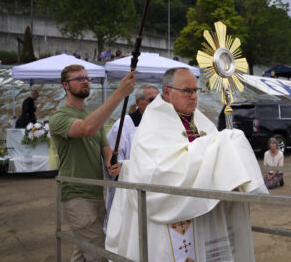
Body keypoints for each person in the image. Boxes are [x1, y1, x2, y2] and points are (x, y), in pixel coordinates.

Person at [106, 67, 267, 262]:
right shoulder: (153, 122)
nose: (193, 97)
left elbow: (213, 153)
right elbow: (157, 169)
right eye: (187, 91)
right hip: (172, 211)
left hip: (203, 211)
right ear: (167, 92)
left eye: (195, 91)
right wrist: (213, 148)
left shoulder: (199, 119)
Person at [49, 64, 136, 262]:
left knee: (83, 251)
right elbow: (85, 129)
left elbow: (106, 150)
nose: (85, 81)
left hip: (96, 194)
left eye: (87, 78)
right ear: (65, 85)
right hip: (75, 195)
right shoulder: (59, 117)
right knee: (99, 253)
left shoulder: (93, 118)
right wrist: (119, 94)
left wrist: (111, 163)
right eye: (79, 78)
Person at [103, 85, 159, 232]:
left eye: (160, 100)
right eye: (152, 100)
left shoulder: (162, 125)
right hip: (128, 192)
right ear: (139, 102)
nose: (157, 104)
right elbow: (113, 163)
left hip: (155, 191)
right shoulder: (124, 126)